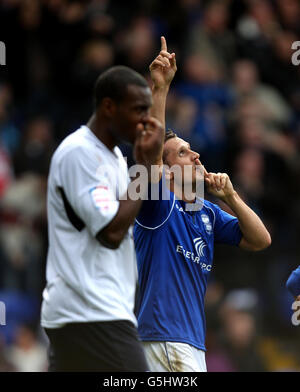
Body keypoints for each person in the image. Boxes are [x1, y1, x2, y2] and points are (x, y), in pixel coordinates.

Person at [134, 38, 272, 372]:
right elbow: (149, 155)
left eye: (192, 148)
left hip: (190, 342)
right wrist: (160, 89)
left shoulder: (205, 210)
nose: (195, 155)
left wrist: (231, 197)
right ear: (166, 173)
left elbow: (260, 240)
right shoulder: (158, 205)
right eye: (182, 153)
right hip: (164, 339)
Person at [40, 64, 165, 371]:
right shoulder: (79, 153)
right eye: (138, 109)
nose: (145, 121)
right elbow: (110, 232)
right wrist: (145, 169)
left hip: (91, 311)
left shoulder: (116, 159)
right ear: (109, 106)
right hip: (91, 310)